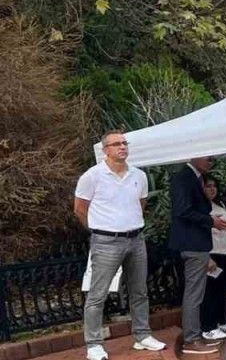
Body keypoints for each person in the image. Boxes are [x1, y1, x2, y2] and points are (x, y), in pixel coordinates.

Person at [75, 130, 167, 360]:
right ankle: (94, 344)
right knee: (98, 294)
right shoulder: (92, 176)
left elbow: (140, 204)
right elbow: (80, 209)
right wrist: (98, 230)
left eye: (125, 143)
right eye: (116, 144)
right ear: (105, 150)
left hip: (136, 238)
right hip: (106, 241)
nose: (123, 147)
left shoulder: (139, 175)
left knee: (139, 290)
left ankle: (142, 335)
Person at [170, 156, 226, 348]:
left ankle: (194, 335)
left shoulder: (195, 177)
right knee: (194, 293)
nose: (211, 161)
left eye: (213, 159)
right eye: (208, 157)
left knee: (196, 292)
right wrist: (211, 221)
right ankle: (192, 338)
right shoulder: (184, 178)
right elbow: (183, 210)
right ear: (195, 155)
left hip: (197, 243)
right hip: (192, 243)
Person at [200, 177, 226, 341]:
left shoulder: (220, 205)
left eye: (214, 186)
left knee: (222, 291)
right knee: (210, 292)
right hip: (213, 255)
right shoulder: (200, 209)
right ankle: (208, 327)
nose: (212, 189)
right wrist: (207, 257)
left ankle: (221, 322)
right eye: (208, 186)